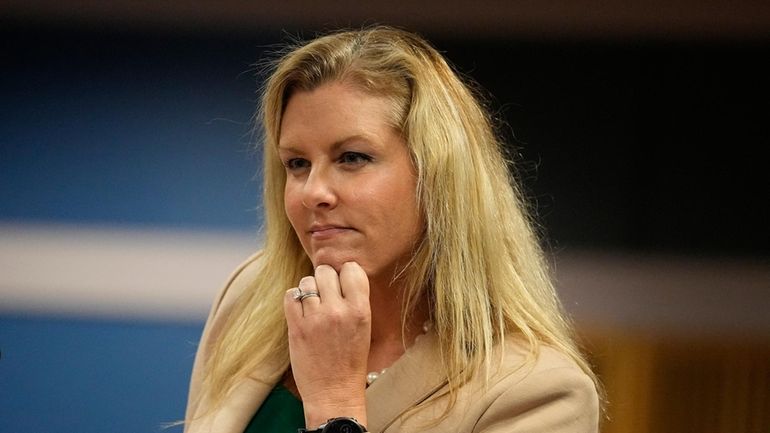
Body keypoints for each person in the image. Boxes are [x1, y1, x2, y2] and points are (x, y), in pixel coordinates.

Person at [184, 26, 600, 433]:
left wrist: (335, 408)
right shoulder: (252, 297)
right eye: (297, 163)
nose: (313, 192)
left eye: (351, 157)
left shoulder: (538, 391)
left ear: (437, 177)